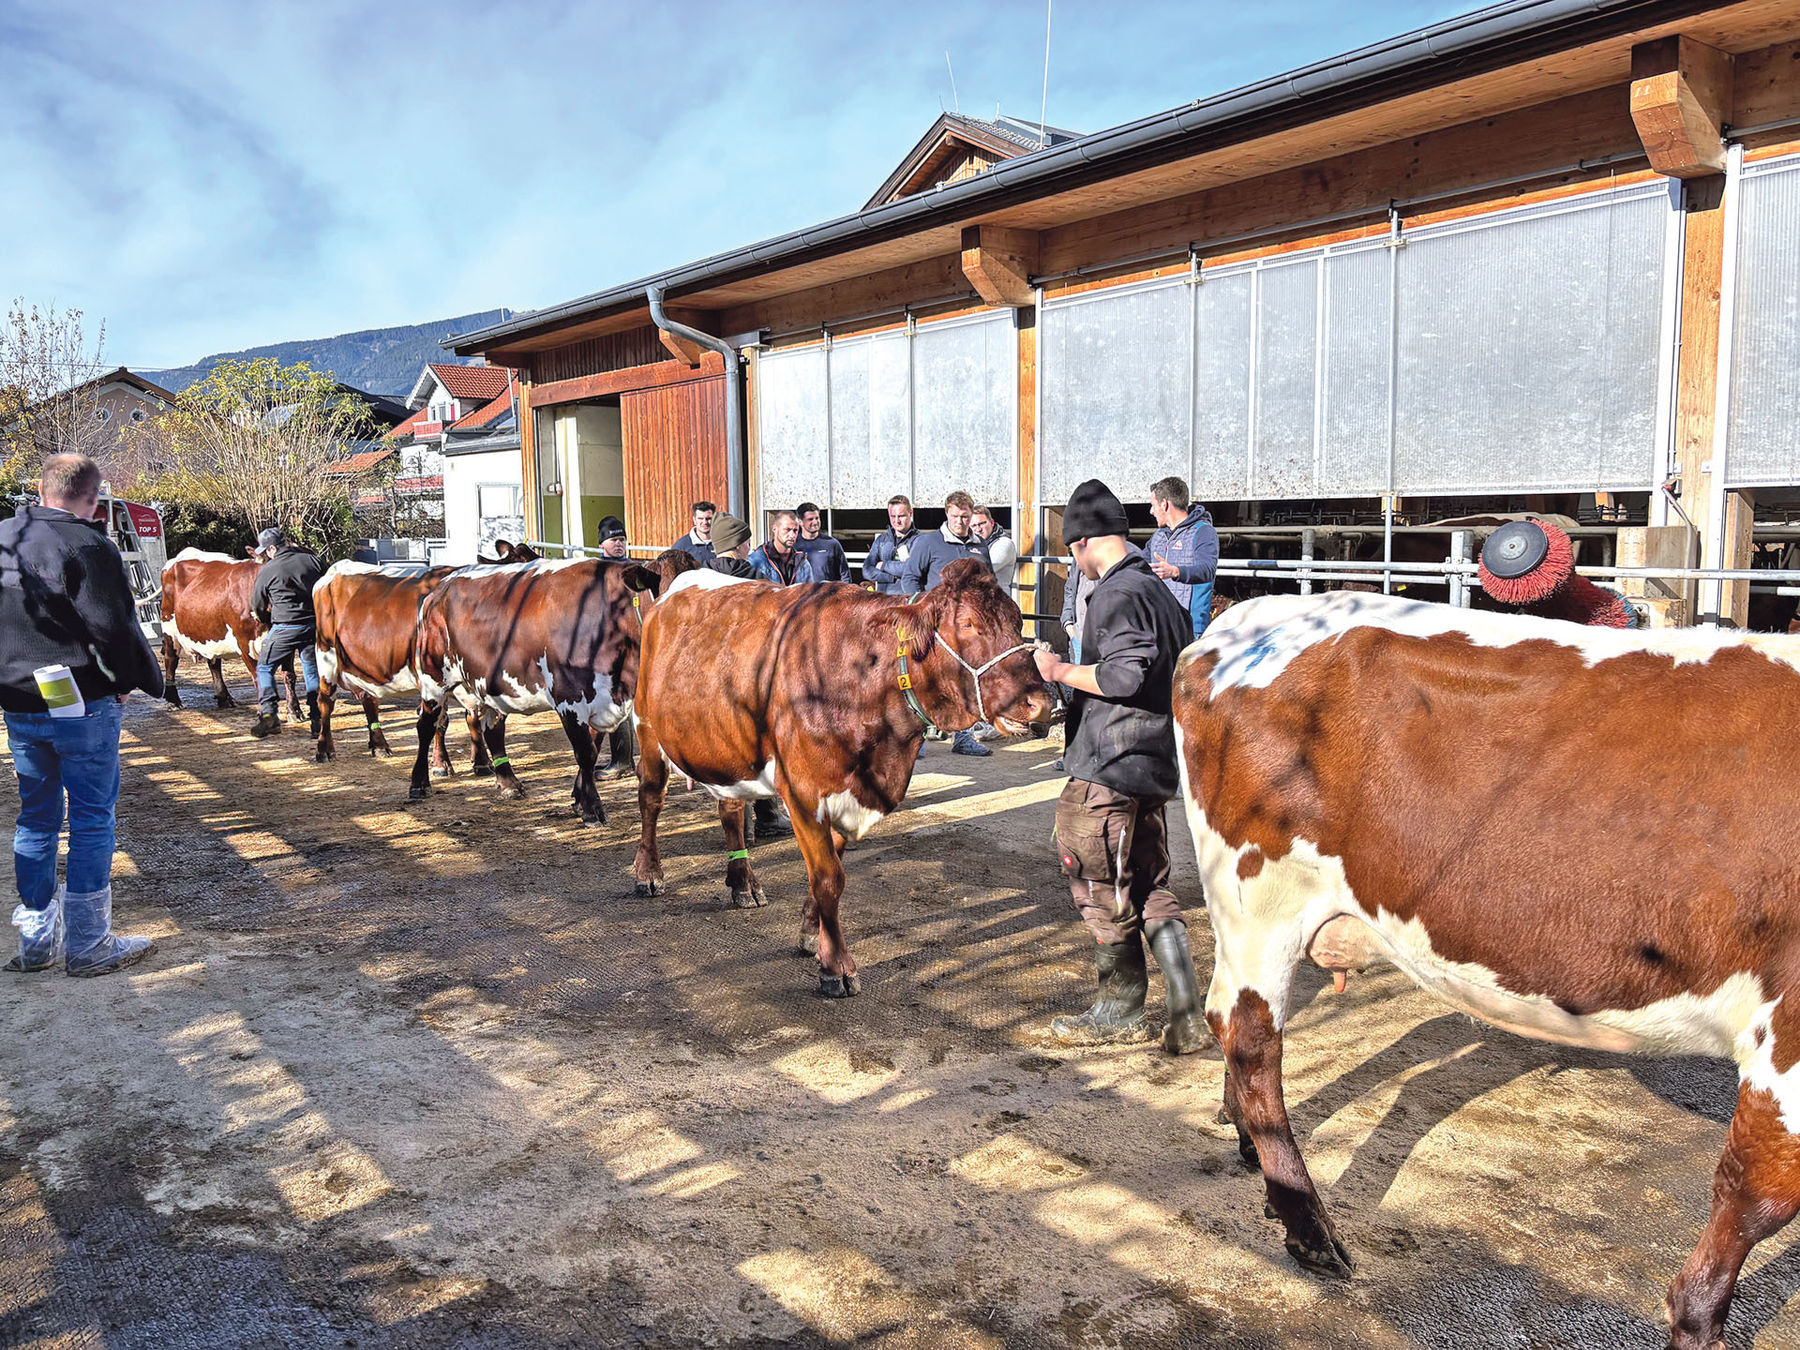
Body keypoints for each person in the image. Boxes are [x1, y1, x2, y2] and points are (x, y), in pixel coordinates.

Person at [1031, 478, 1204, 1055]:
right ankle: (1187, 1012)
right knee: (1151, 884)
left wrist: (1057, 673)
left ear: (1081, 545)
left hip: (1107, 767)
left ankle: (1121, 1005)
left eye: (1070, 553)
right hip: (1151, 767)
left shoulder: (1114, 593)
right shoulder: (1161, 593)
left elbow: (1123, 676)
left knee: (1096, 880)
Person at [1, 453, 164, 976]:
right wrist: (133, 681)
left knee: (36, 816)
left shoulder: (6, 535)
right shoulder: (90, 544)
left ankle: (34, 942)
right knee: (92, 818)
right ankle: (89, 943)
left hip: (18, 699)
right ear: (94, 498)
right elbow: (114, 629)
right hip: (80, 700)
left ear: (41, 488)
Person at [901, 491, 994, 757]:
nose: (960, 522)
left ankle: (963, 737)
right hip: (935, 627)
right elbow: (910, 579)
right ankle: (916, 738)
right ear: (947, 514)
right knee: (925, 680)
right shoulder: (929, 543)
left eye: (965, 517)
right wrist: (921, 611)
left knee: (966, 679)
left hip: (968, 629)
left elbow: (989, 584)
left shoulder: (979, 546)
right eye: (955, 516)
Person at [249, 527, 323, 740]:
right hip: (313, 625)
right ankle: (317, 719)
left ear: (272, 548)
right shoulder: (312, 561)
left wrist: (265, 621)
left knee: (264, 668)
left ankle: (270, 714)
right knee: (311, 671)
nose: (266, 555)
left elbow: (258, 605)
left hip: (284, 627)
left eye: (266, 551)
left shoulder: (268, 569)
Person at [1146, 476, 1219, 639]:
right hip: (1160, 626)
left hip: (1191, 628)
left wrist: (1175, 571)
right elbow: (1139, 563)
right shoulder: (1158, 536)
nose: (1151, 511)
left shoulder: (1203, 531)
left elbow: (1207, 570)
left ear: (1164, 504)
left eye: (1153, 505)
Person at [862, 495, 918, 594]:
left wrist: (883, 565)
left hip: (907, 602)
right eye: (893, 516)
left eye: (901, 516)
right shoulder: (881, 541)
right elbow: (867, 569)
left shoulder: (920, 541)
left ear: (910, 513)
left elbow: (911, 569)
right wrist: (892, 578)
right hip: (883, 601)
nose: (897, 521)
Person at [748, 511, 815, 585]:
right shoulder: (756, 560)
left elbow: (810, 594)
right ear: (774, 529)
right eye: (787, 530)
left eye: (795, 530)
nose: (792, 535)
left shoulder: (803, 562)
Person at [793, 502, 849, 582]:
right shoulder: (793, 546)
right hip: (802, 593)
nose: (815, 522)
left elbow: (845, 574)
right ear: (800, 522)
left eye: (817, 518)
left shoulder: (832, 544)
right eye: (810, 519)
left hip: (828, 593)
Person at [971, 506, 1018, 592]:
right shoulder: (972, 544)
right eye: (973, 526)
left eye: (982, 523)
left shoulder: (1004, 543)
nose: (978, 529)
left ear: (992, 523)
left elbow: (984, 570)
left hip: (997, 601)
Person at [707, 513, 758, 579]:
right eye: (748, 543)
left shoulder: (701, 575)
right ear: (737, 545)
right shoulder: (752, 576)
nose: (749, 548)